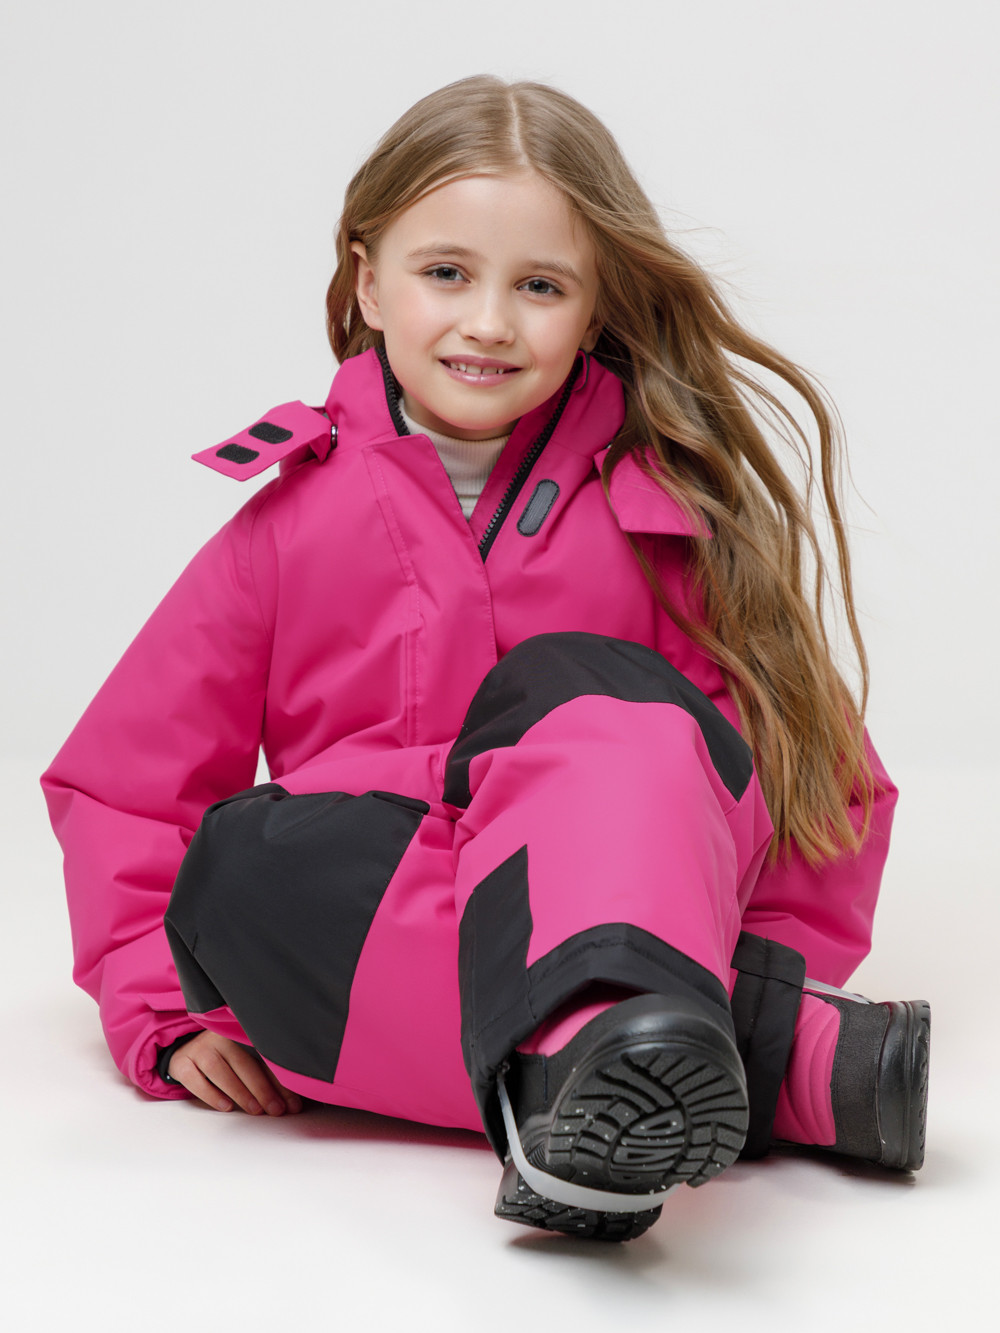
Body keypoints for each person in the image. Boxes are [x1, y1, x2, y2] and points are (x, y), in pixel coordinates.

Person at [41, 75, 929, 1242]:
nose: (489, 323)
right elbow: (127, 784)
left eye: (540, 286)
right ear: (369, 279)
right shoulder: (285, 531)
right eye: (446, 273)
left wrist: (739, 948)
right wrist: (162, 1005)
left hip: (615, 907)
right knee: (238, 873)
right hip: (388, 921)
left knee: (591, 697)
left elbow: (816, 775)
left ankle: (622, 1039)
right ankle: (764, 1053)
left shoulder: (661, 518)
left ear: (596, 307)